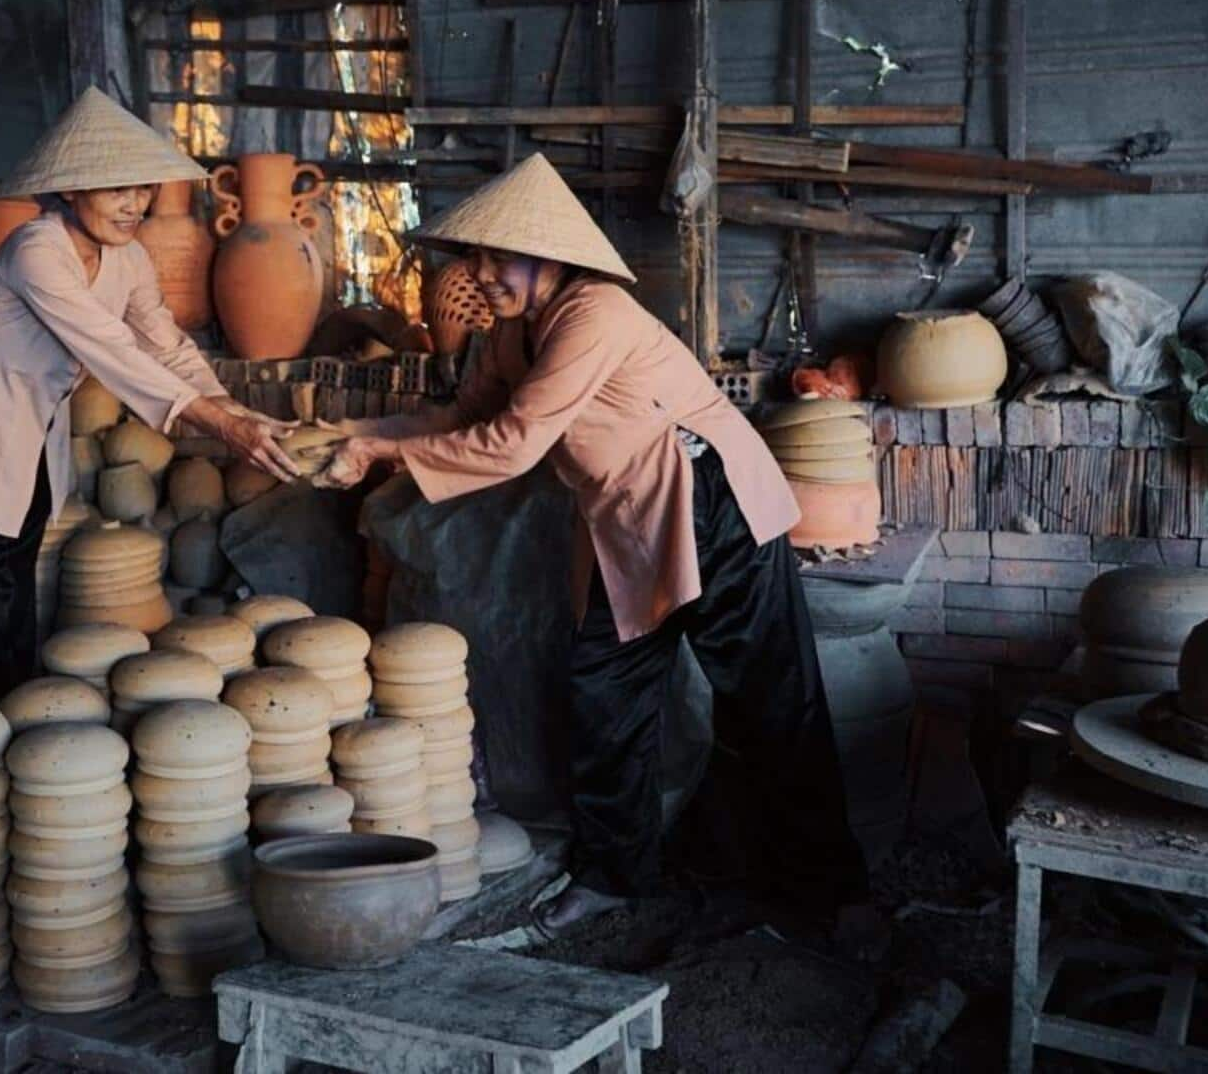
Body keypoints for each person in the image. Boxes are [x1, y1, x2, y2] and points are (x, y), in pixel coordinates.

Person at [318, 154, 877, 949]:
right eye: (473, 256)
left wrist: (381, 455)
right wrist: (363, 437)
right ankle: (614, 876)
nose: (480, 273)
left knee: (771, 703)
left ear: (548, 256)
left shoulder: (596, 314)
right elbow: (458, 419)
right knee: (604, 698)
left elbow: (509, 447)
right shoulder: (510, 335)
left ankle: (831, 893)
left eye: (495, 256)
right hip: (626, 519)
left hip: (713, 502)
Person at [0, 87, 300, 704]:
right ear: (69, 189)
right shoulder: (39, 250)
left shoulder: (129, 257)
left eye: (142, 188)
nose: (134, 204)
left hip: (30, 442)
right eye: (117, 188)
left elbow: (166, 344)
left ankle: (17, 742)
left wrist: (235, 411)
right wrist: (219, 428)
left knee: (13, 606)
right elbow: (109, 347)